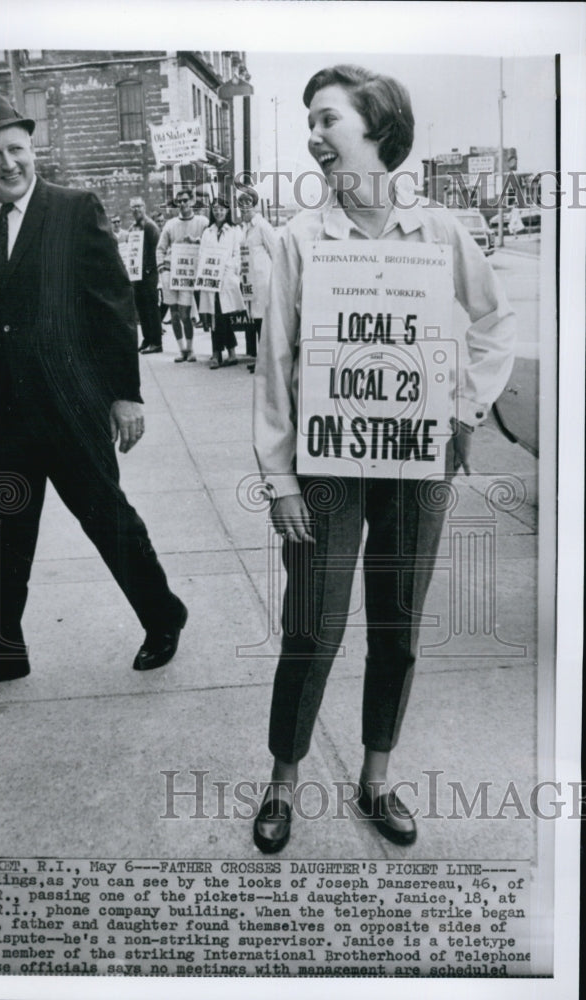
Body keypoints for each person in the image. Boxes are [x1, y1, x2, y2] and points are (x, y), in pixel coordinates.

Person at [252, 65, 516, 852]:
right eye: (309, 120)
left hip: (416, 461)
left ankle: (375, 777)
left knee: (395, 627)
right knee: (312, 628)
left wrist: (465, 406)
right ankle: (281, 784)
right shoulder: (301, 241)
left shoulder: (439, 232)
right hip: (327, 466)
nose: (313, 134)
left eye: (327, 118)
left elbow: (493, 321)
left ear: (376, 128)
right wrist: (280, 480)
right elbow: (273, 369)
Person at [0, 92, 187, 696]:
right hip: (4, 416)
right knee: (0, 536)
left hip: (72, 407)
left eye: (17, 149)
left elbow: (113, 307)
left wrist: (125, 395)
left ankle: (163, 617)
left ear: (33, 150)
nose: (8, 164)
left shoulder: (76, 210)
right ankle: (1, 654)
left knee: (108, 522)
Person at [156, 189, 207, 362]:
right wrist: (162, 269)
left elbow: (210, 241)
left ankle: (191, 348)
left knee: (185, 314)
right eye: (179, 201)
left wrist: (197, 241)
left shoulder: (202, 222)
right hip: (171, 272)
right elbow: (160, 249)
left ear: (192, 201)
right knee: (174, 313)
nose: (183, 204)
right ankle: (181, 349)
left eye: (185, 200)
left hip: (187, 274)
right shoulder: (170, 225)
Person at [198, 198, 245, 369]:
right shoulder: (207, 232)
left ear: (227, 211)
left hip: (226, 278)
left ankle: (220, 353)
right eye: (215, 209)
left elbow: (237, 254)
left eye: (222, 209)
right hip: (210, 278)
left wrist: (228, 269)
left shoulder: (234, 230)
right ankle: (224, 353)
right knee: (215, 315)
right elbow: (202, 253)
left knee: (221, 316)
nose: (218, 212)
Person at [236, 187, 277, 372]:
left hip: (263, 281)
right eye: (241, 205)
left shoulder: (262, 226)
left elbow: (276, 253)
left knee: (263, 321)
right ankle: (261, 359)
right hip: (249, 281)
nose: (244, 209)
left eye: (248, 205)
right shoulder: (245, 228)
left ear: (254, 206)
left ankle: (266, 362)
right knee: (256, 320)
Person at [129, 196, 164, 354]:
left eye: (139, 206)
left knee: (151, 308)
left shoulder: (150, 226)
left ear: (144, 207)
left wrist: (150, 270)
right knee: (142, 309)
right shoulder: (133, 228)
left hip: (149, 274)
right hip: (137, 275)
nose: (136, 210)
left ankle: (156, 342)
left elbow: (156, 250)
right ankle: (147, 338)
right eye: (133, 207)